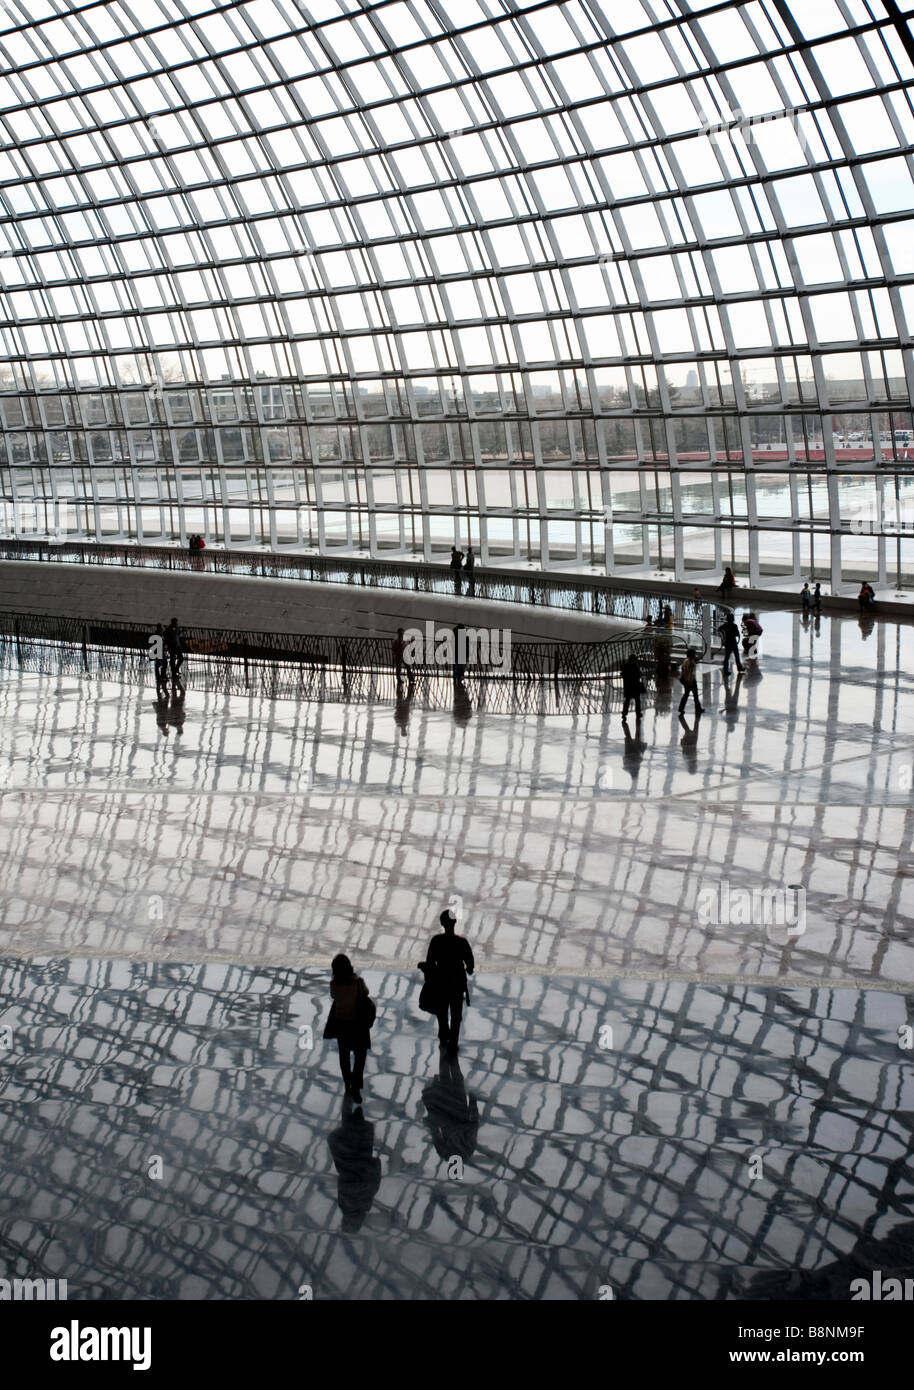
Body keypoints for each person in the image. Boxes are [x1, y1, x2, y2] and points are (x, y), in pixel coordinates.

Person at [419, 909, 474, 1056]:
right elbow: (470, 967)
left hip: (441, 982)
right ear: (455, 922)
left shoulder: (436, 941)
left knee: (442, 1012)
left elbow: (430, 962)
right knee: (456, 1014)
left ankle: (444, 1035)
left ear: (442, 923)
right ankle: (453, 1042)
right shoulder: (462, 942)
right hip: (457, 983)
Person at [323, 953, 374, 1104]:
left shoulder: (334, 985)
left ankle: (347, 1082)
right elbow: (366, 993)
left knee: (344, 1055)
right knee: (360, 1055)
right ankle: (356, 1086)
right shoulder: (358, 982)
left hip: (341, 1024)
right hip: (358, 1024)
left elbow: (333, 996)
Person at [678, 646, 702, 715]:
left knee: (686, 695)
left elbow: (683, 670)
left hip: (686, 681)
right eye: (694, 654)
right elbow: (690, 673)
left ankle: (681, 708)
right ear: (692, 655)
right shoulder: (691, 663)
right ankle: (698, 709)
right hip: (690, 681)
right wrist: (690, 682)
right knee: (695, 696)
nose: (695, 655)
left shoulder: (686, 661)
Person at [620, 651, 644, 722]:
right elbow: (638, 675)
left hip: (628, 687)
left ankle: (624, 714)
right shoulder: (635, 666)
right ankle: (638, 713)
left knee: (627, 701)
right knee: (637, 700)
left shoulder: (624, 666)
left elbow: (622, 674)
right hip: (635, 686)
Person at [163, 616, 184, 685]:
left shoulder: (175, 628)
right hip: (173, 646)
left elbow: (177, 634)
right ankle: (174, 672)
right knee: (173, 659)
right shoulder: (169, 629)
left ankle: (175, 670)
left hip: (176, 646)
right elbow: (166, 637)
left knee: (179, 658)